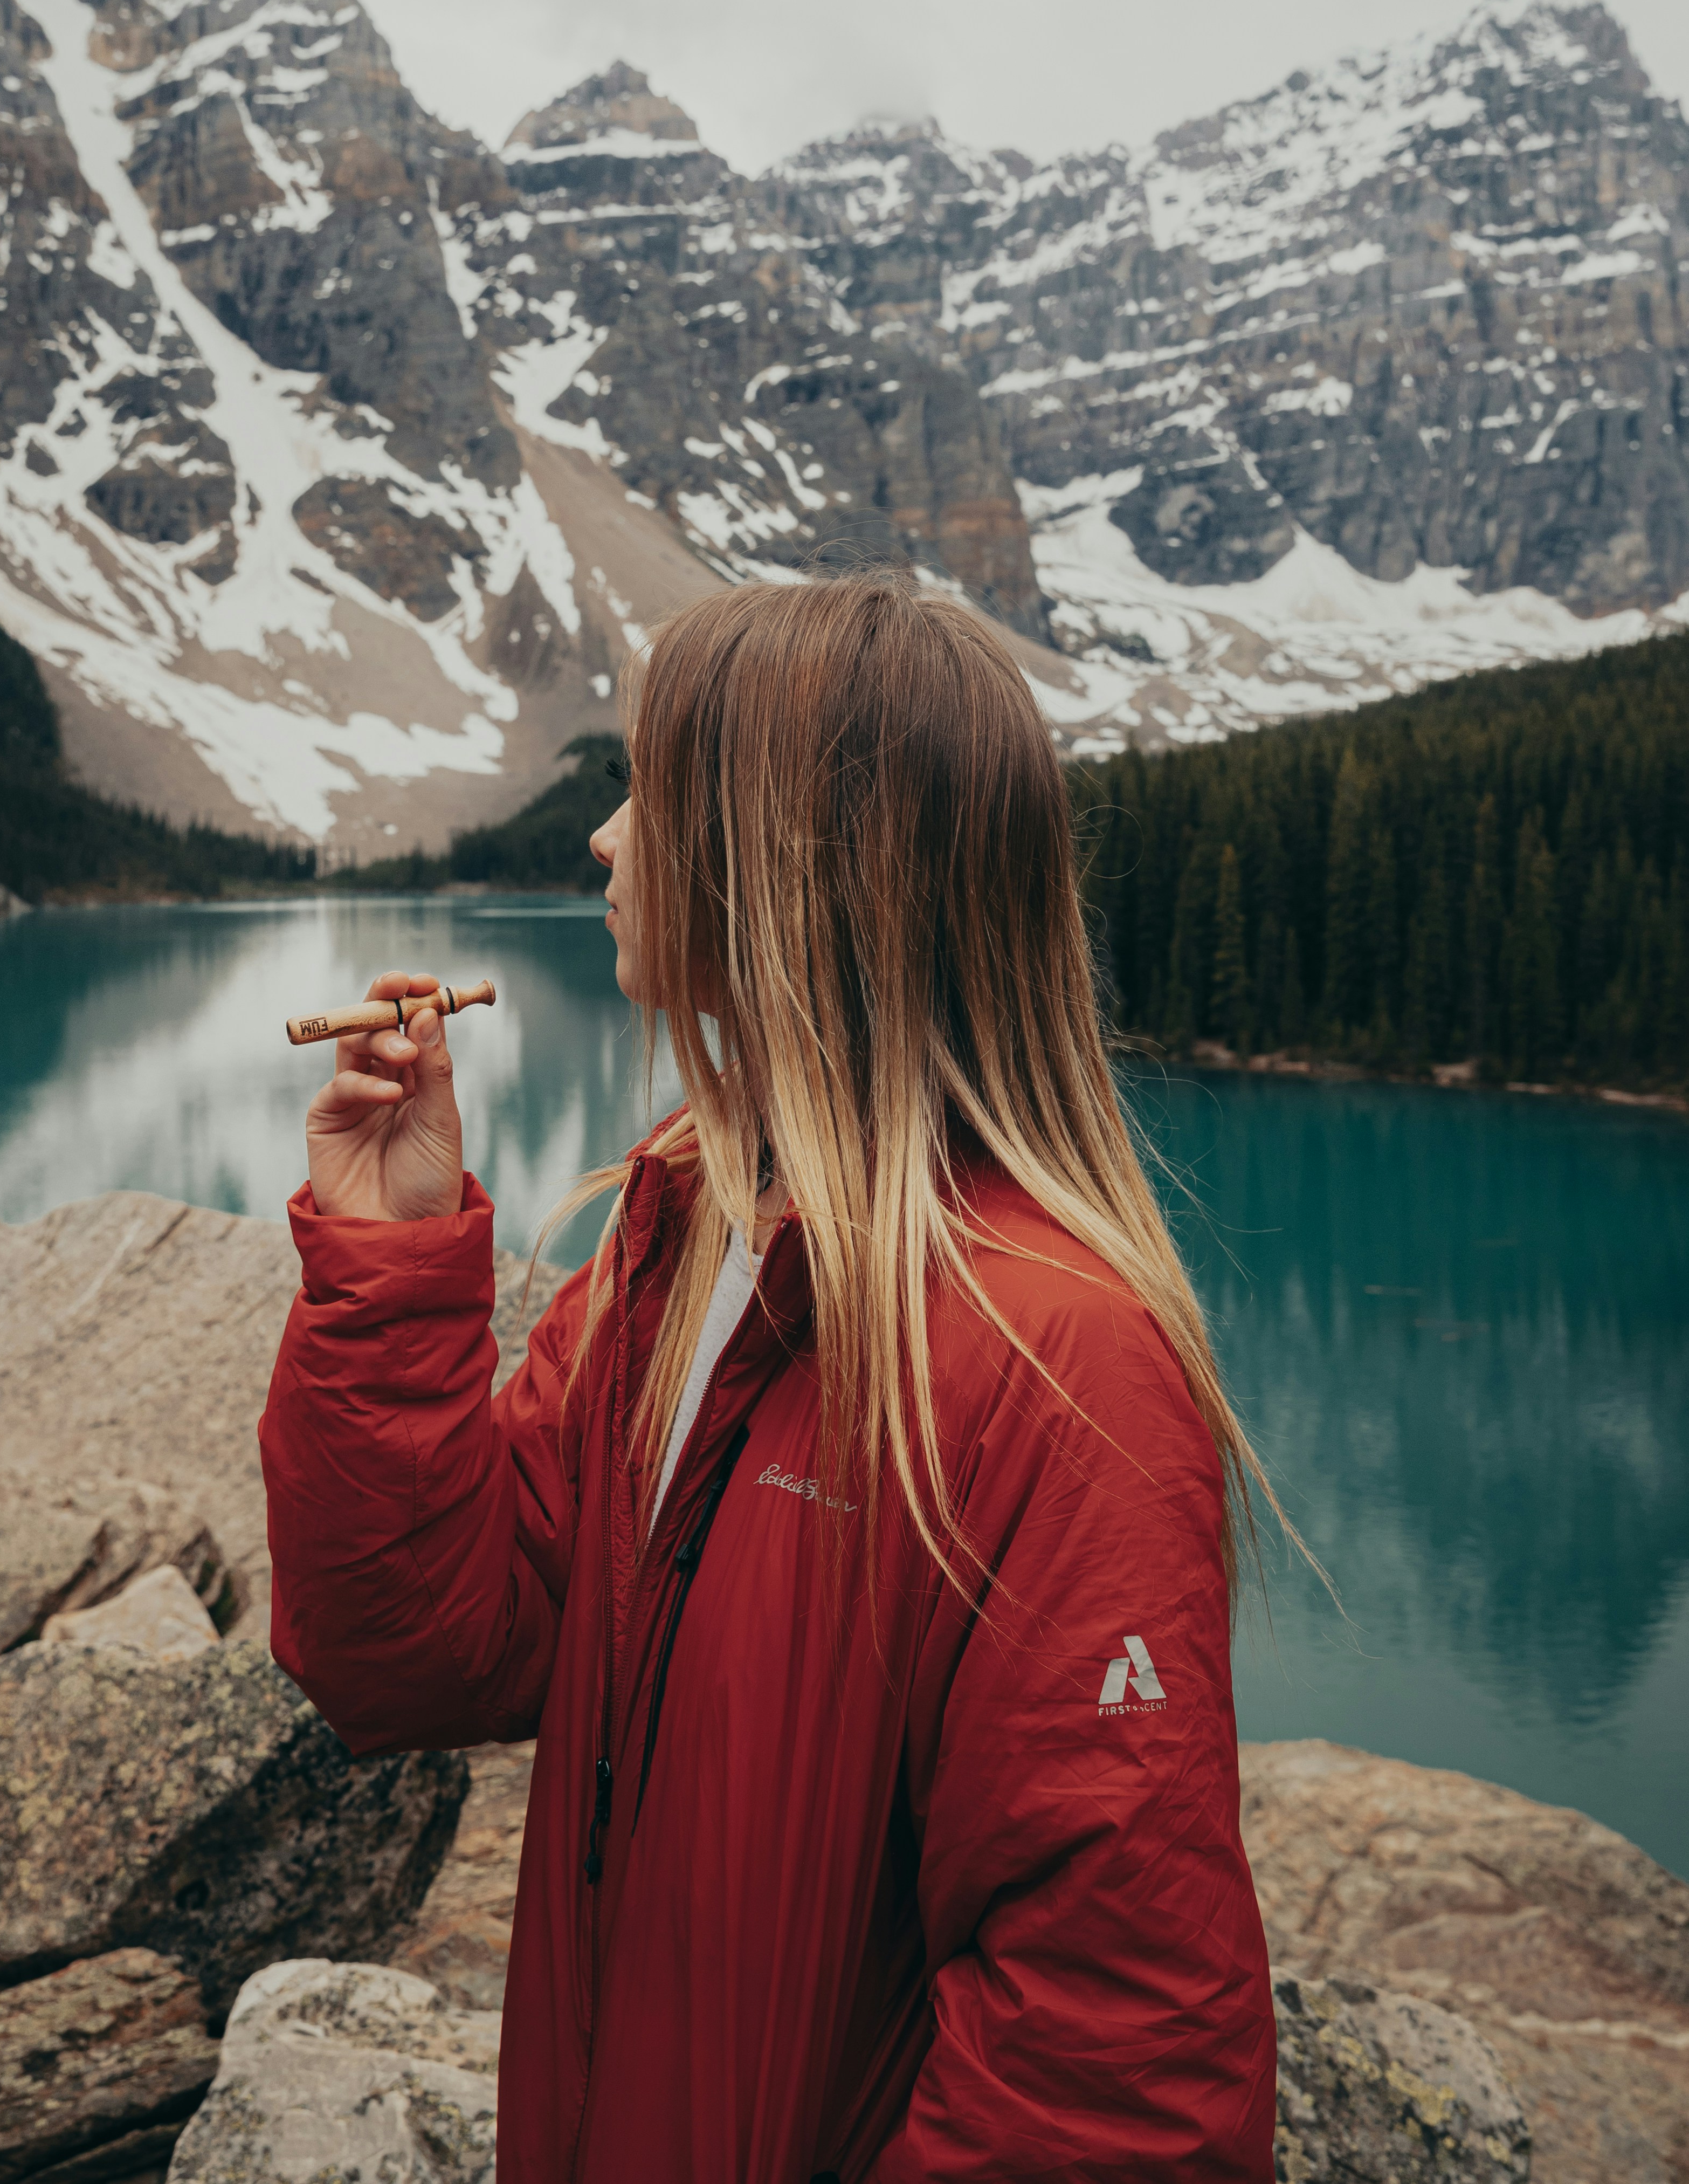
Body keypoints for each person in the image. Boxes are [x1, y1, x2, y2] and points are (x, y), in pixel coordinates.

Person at [261, 573, 1278, 2182]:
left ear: (794, 862)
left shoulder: (1059, 1356)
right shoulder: (685, 1240)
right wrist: (385, 1262)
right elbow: (413, 1659)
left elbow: (1110, 2073)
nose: (603, 839)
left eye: (655, 794)